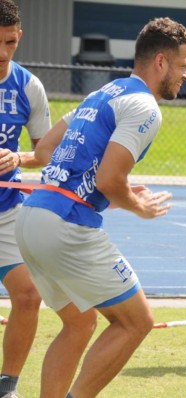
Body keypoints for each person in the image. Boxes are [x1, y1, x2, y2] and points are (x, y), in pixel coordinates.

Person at [14, 17, 186, 397]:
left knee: (78, 324)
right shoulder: (146, 106)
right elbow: (108, 182)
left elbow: (45, 151)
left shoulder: (105, 92)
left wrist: (113, 190)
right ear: (160, 62)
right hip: (65, 225)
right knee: (136, 322)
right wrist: (137, 206)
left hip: (32, 218)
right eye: (183, 65)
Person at [0, 1, 51, 396]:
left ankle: (7, 385)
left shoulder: (28, 85)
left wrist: (18, 157)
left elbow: (45, 153)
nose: (3, 53)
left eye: (10, 42)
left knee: (29, 295)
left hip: (7, 208)